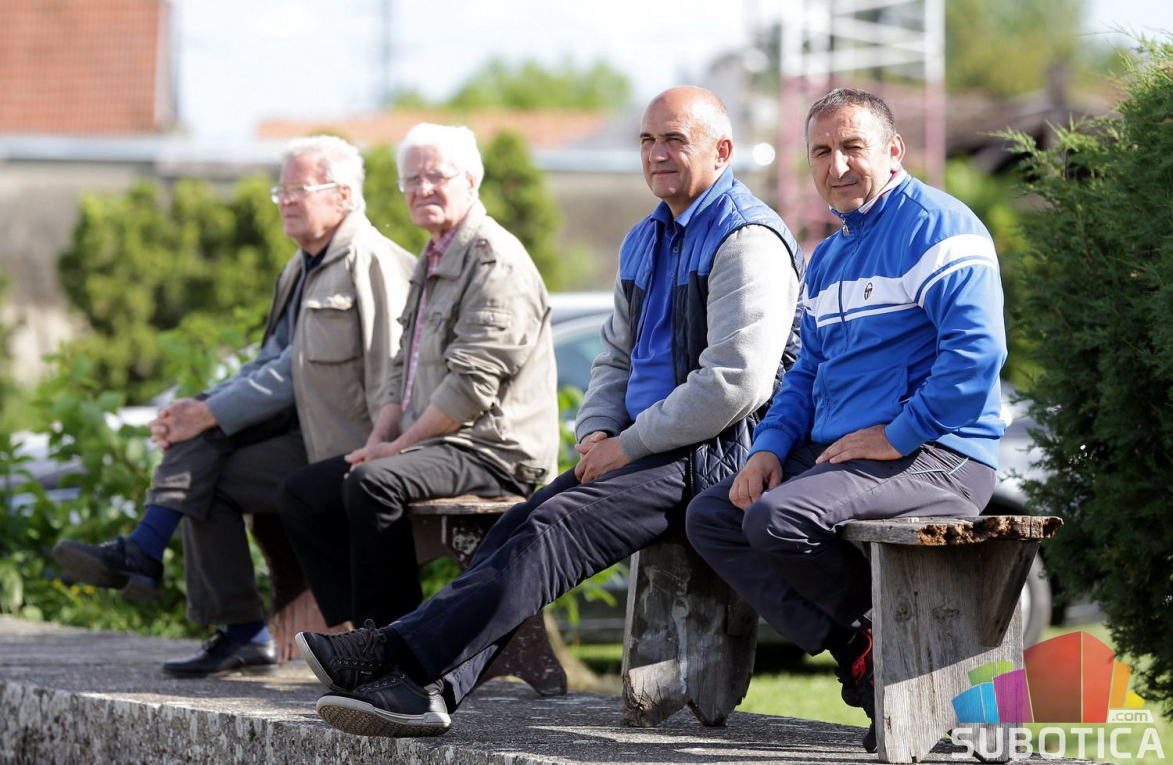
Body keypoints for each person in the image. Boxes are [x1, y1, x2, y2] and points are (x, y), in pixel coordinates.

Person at [293, 85, 806, 738]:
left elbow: (734, 385)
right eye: (647, 140)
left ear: (722, 151)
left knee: (554, 527)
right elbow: (614, 356)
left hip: (721, 452)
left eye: (675, 139)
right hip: (651, 445)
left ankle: (396, 655)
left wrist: (628, 444)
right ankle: (430, 692)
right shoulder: (646, 237)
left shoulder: (746, 237)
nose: (656, 153)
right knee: (518, 525)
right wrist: (597, 428)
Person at [685, 87, 1008, 752]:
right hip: (852, 454)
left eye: (852, 147)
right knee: (713, 514)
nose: (836, 166)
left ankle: (893, 657)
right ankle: (863, 653)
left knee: (776, 519)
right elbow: (806, 372)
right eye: (821, 151)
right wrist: (768, 448)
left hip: (941, 453)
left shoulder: (940, 228)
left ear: (893, 151)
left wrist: (899, 433)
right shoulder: (829, 256)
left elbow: (976, 355)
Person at [51, 135, 415, 677]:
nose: (285, 201)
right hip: (302, 440)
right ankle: (237, 629)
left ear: (341, 195)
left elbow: (374, 370)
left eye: (299, 189)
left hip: (352, 446)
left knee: (203, 449)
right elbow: (269, 360)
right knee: (203, 465)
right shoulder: (301, 266)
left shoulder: (372, 260)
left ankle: (148, 553)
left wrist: (210, 413)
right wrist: (200, 406)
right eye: (280, 191)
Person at [277, 123, 559, 631]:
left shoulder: (495, 260)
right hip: (436, 444)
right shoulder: (432, 256)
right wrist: (380, 440)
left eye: (436, 177)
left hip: (492, 449)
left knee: (372, 484)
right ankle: (359, 631)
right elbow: (400, 370)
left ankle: (396, 641)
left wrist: (397, 447)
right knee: (304, 492)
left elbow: (471, 387)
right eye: (411, 180)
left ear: (470, 181)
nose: (422, 189)